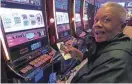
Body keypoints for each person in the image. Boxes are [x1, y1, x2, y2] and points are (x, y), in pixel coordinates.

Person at [60, 2, 132, 83]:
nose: (97, 24)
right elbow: (94, 63)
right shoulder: (108, 44)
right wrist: (78, 54)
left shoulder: (118, 60)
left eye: (106, 20)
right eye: (96, 20)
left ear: (122, 26)